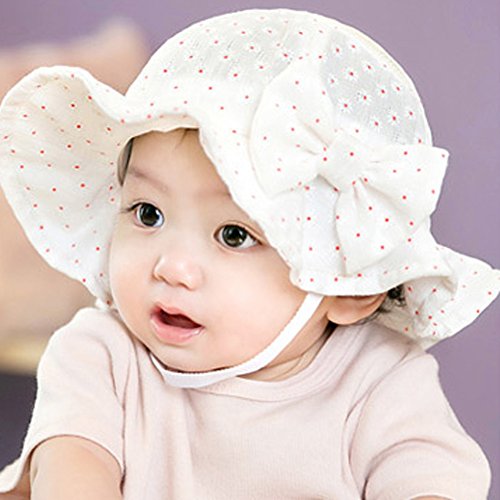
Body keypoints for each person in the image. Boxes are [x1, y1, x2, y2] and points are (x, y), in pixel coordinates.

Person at [0, 8, 498, 500]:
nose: (171, 267)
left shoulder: (381, 380)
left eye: (234, 236)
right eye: (148, 214)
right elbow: (73, 469)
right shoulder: (100, 354)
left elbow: (427, 482)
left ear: (348, 287)